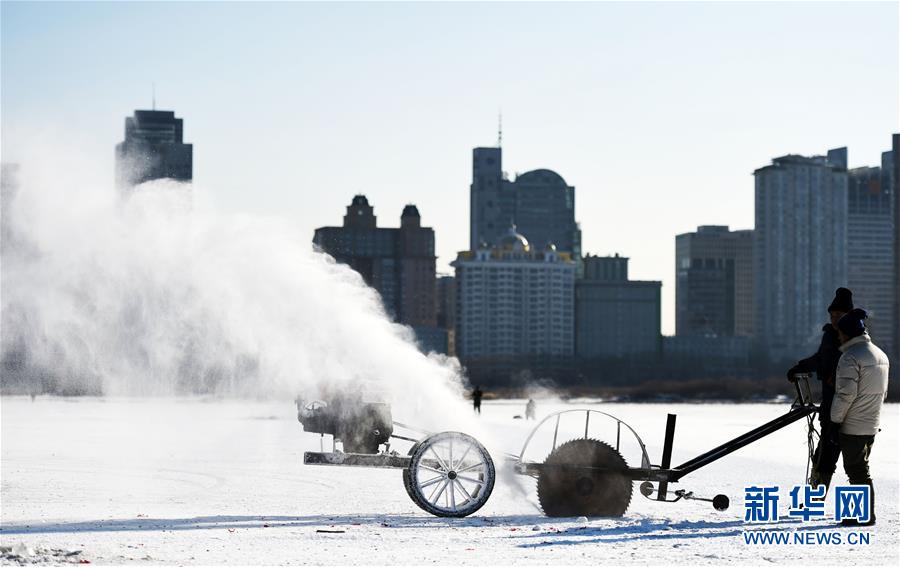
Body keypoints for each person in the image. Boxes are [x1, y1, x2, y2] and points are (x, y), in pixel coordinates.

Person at [787, 287, 853, 491]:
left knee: (850, 463)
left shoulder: (855, 339)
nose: (834, 319)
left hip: (848, 411)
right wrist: (801, 366)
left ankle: (817, 499)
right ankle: (814, 498)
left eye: (839, 315)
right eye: (832, 315)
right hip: (829, 405)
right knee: (823, 454)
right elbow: (821, 359)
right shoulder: (830, 336)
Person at [830, 308, 889, 526]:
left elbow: (846, 394)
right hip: (871, 422)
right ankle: (857, 513)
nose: (838, 335)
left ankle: (864, 515)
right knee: (859, 469)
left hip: (853, 424)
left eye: (840, 332)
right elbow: (883, 392)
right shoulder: (880, 354)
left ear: (847, 333)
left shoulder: (850, 357)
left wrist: (835, 421)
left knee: (857, 471)